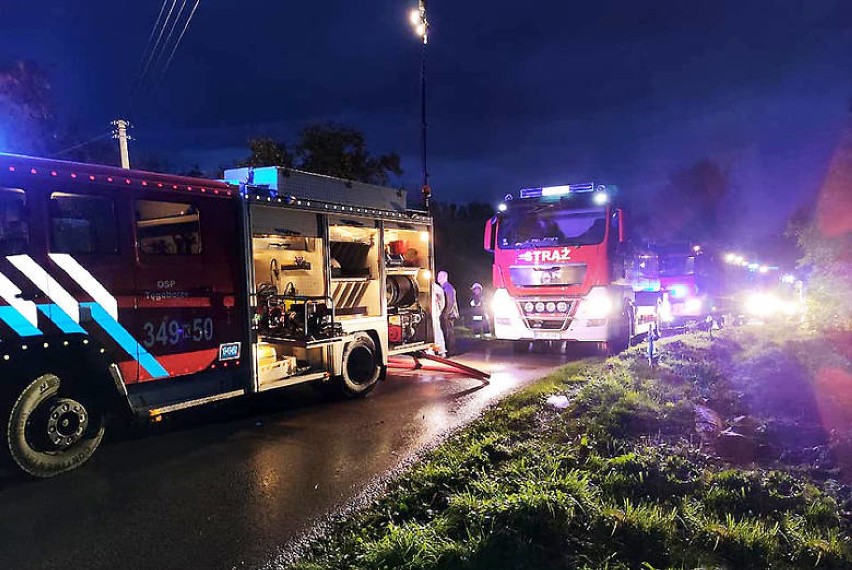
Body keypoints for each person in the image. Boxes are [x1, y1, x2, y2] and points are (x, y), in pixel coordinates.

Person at [437, 270, 459, 355]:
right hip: (448, 314)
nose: (438, 278)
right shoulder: (444, 287)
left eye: (439, 276)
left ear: (444, 277)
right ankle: (449, 350)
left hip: (449, 315)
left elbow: (450, 302)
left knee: (449, 333)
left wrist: (446, 314)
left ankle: (451, 351)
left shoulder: (448, 287)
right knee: (447, 332)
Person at [431, 279, 447, 356]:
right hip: (429, 312)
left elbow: (441, 300)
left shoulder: (436, 287)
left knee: (437, 331)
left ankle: (441, 351)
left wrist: (439, 310)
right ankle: (430, 351)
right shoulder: (434, 287)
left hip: (434, 312)